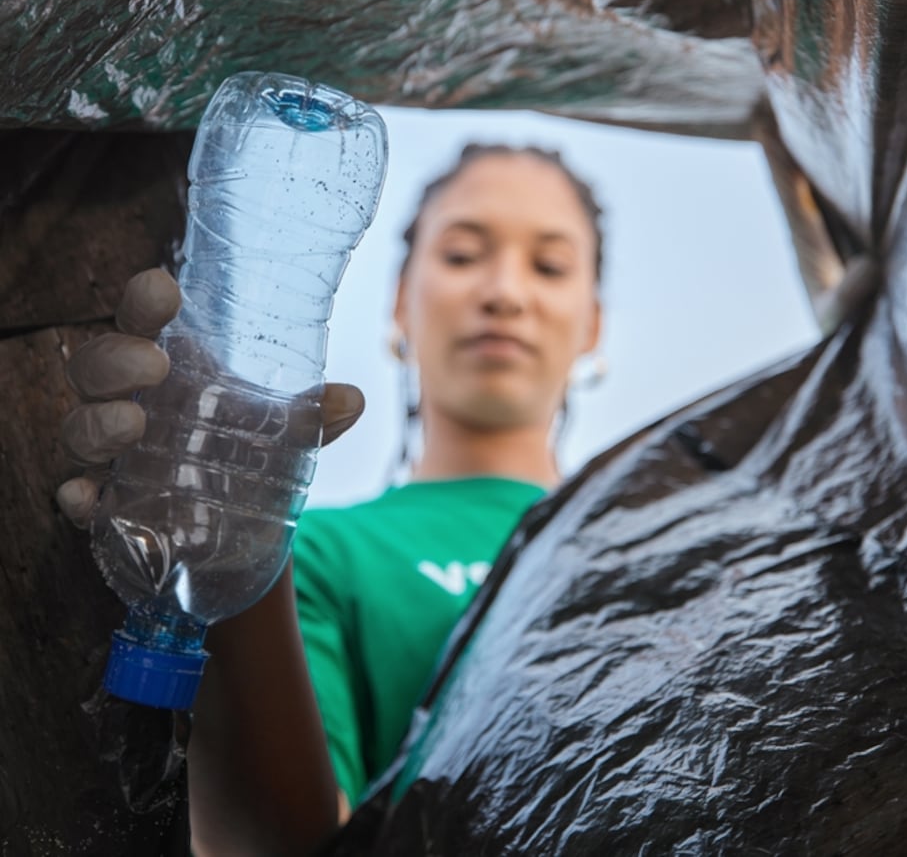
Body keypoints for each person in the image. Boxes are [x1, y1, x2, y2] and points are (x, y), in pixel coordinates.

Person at [57, 142, 606, 855]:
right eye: (464, 256)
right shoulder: (310, 555)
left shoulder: (670, 547)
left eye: (550, 266)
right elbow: (287, 844)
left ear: (593, 326)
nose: (504, 291)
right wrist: (234, 559)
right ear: (401, 308)